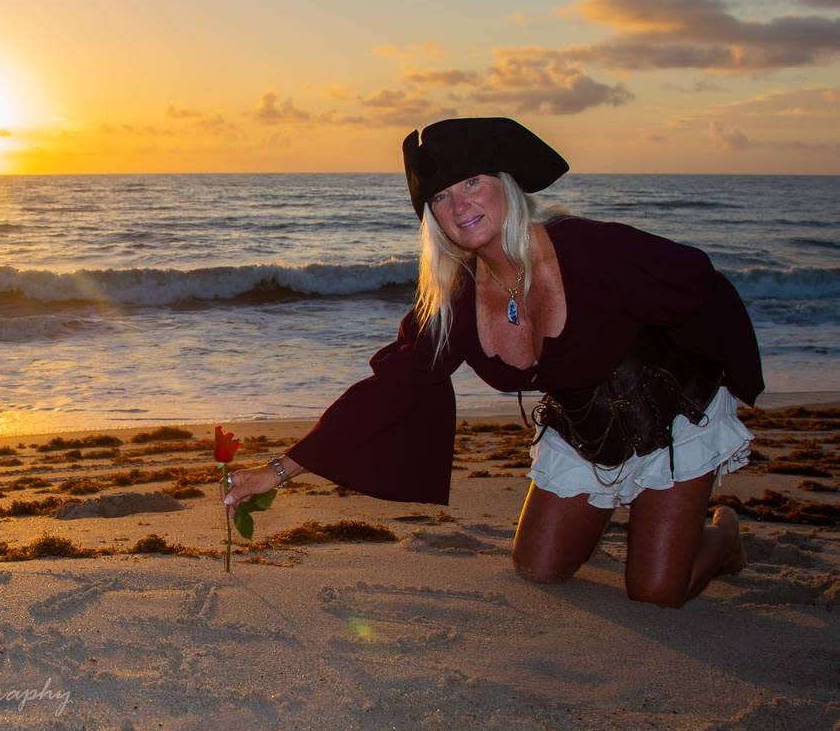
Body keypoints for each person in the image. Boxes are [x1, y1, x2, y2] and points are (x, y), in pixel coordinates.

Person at [224, 117, 763, 608]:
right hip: (584, 435)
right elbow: (393, 387)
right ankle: (622, 513)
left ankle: (723, 535)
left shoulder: (591, 250)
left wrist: (733, 374)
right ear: (430, 217)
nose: (459, 206)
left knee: (655, 591)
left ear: (505, 184)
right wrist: (278, 471)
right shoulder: (454, 299)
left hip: (670, 420)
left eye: (471, 183)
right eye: (439, 197)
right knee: (537, 567)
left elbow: (695, 281)